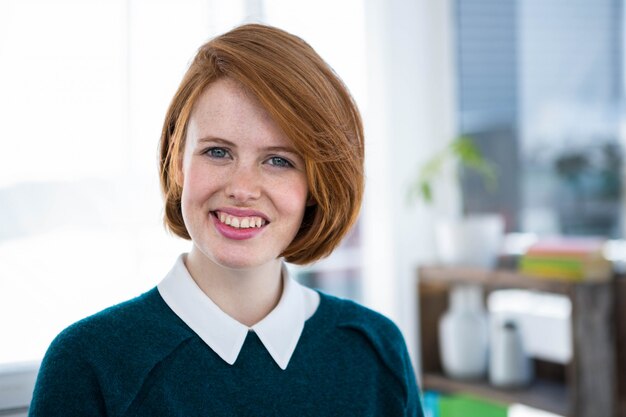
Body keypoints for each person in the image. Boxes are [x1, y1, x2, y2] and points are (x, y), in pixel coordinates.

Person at [29, 23, 424, 416]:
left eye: (278, 160)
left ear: (314, 186)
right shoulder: (87, 364)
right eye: (218, 152)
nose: (243, 188)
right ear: (177, 160)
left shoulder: (376, 353)